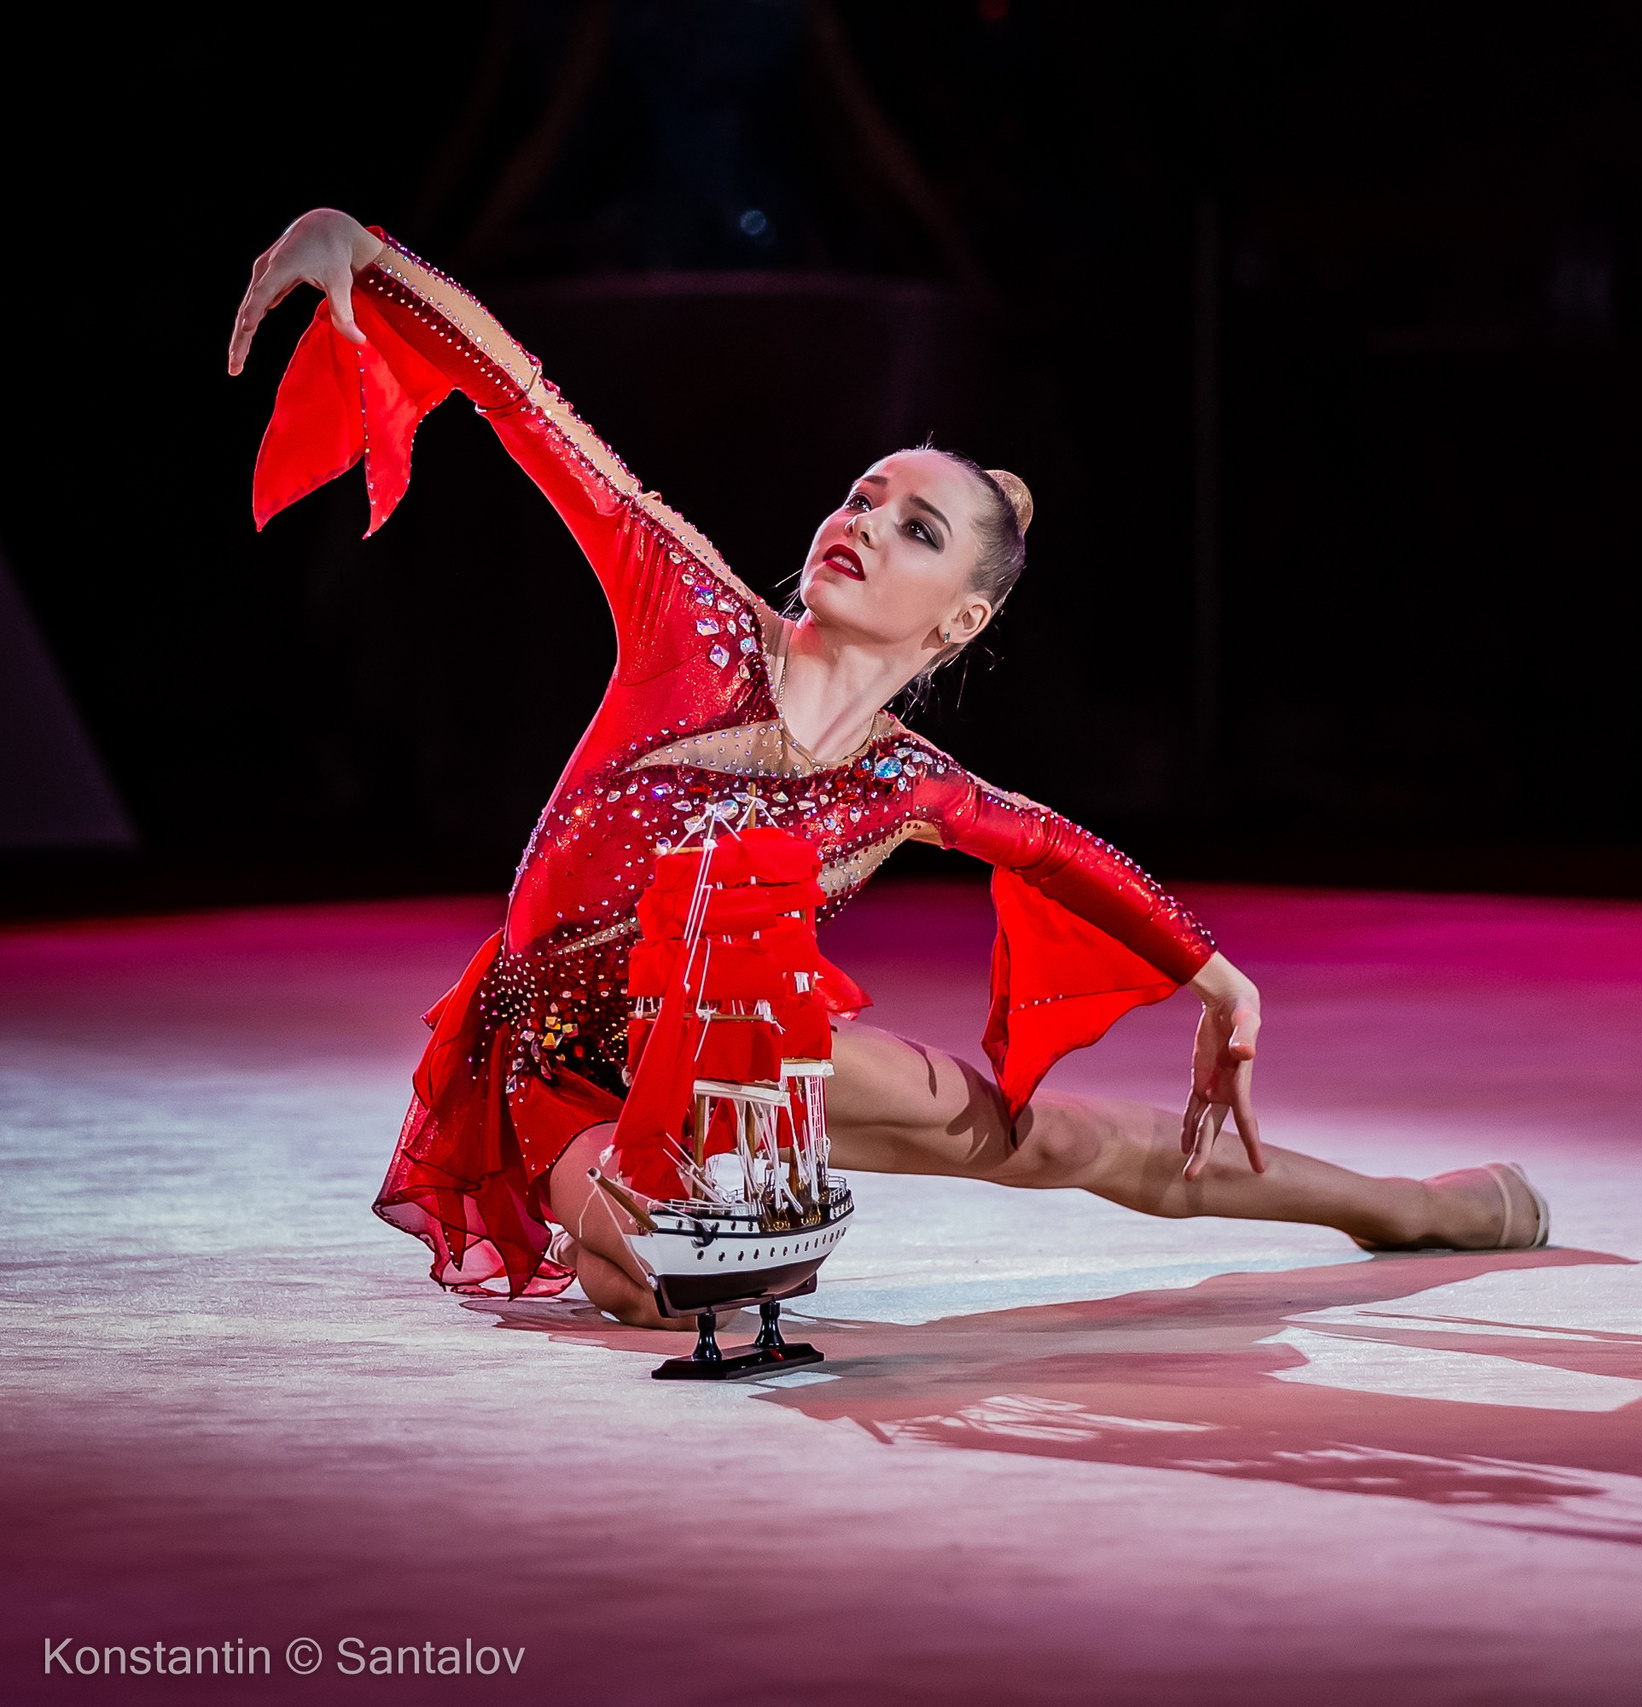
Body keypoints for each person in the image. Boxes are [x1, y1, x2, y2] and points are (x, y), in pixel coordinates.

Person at [229, 210, 1549, 1329]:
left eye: (912, 526)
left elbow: (1054, 849)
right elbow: (532, 407)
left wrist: (1217, 976)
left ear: (960, 619)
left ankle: (1409, 1209)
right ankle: (686, 1220)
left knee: (1062, 1143)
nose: (861, 522)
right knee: (650, 1281)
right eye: (861, 496)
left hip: (733, 1049)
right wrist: (376, 259)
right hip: (556, 1062)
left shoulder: (910, 783)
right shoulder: (682, 607)